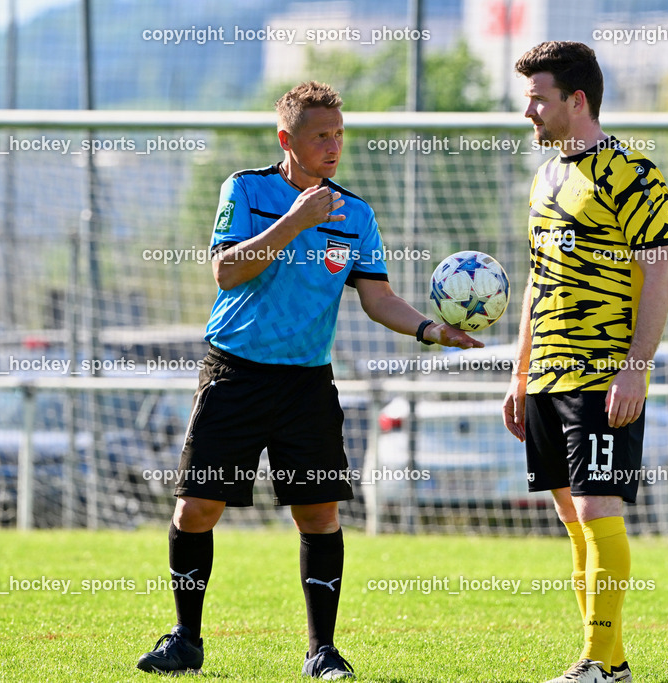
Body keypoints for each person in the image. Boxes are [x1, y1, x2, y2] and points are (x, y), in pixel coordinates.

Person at [136, 81, 483, 678]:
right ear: (286, 140)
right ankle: (186, 638)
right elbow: (225, 271)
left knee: (319, 515)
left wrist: (431, 329)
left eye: (339, 135)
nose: (333, 146)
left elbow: (379, 299)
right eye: (320, 136)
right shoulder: (246, 189)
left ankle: (322, 651)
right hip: (235, 373)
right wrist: (294, 223)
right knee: (197, 509)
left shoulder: (357, 214)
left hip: (306, 384)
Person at [502, 42, 668, 683]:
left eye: (538, 98)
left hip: (603, 372)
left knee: (599, 511)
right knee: (574, 521)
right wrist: (519, 373)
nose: (529, 111)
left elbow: (659, 271)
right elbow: (536, 281)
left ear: (577, 101)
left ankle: (597, 663)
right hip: (545, 372)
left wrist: (638, 365)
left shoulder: (632, 172)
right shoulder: (544, 178)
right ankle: (611, 661)